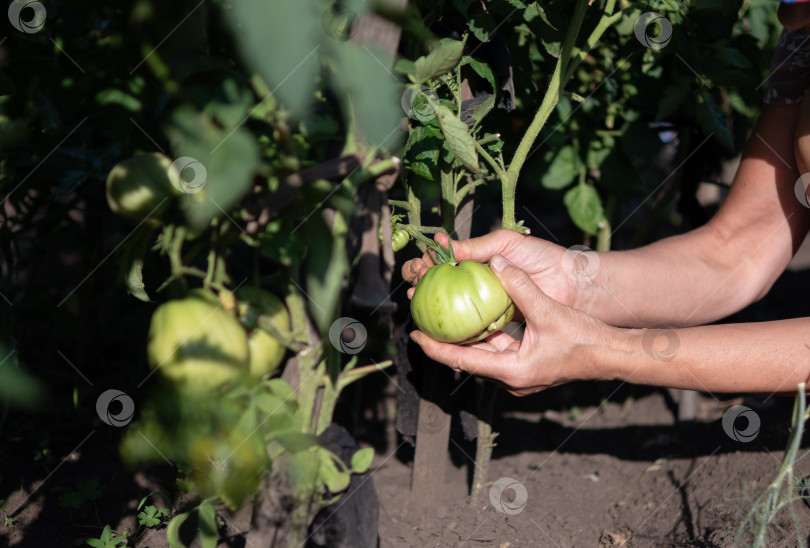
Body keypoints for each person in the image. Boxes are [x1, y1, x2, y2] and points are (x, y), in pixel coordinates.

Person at [402, 2, 810, 397]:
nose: (788, 13)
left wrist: (601, 353)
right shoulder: (802, 38)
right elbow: (738, 251)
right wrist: (573, 281)